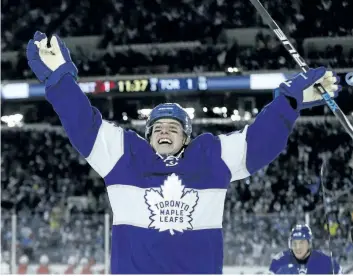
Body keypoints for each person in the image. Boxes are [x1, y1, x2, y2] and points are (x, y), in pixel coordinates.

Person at [26, 31, 342, 274]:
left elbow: (259, 141)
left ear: (186, 138)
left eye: (173, 128)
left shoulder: (210, 157)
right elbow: (83, 123)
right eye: (158, 128)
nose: (164, 132)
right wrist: (60, 79)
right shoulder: (123, 155)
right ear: (147, 136)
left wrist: (289, 101)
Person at [269, 224, 343, 274]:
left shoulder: (326, 262)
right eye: (294, 243)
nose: (297, 247)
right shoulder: (279, 261)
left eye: (302, 242)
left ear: (309, 244)